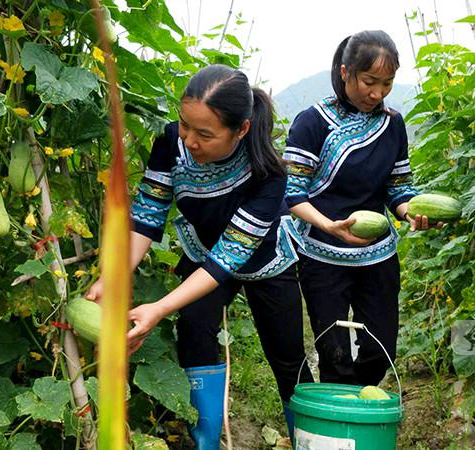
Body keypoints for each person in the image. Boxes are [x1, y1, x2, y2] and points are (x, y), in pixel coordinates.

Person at [86, 64, 312, 448]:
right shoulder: (171, 143)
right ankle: (205, 440)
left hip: (263, 261)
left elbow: (229, 258)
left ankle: (306, 439)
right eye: (185, 125)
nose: (189, 140)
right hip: (201, 249)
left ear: (240, 130)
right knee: (194, 329)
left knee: (287, 355)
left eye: (204, 134)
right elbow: (147, 217)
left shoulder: (269, 174)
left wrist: (157, 308)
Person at [284, 31, 442, 387]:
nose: (377, 93)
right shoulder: (312, 122)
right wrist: (329, 225)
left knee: (381, 349)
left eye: (387, 83)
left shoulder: (392, 124)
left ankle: (359, 400)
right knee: (334, 351)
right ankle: (340, 424)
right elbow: (293, 195)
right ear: (345, 72)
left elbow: (398, 187)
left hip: (377, 256)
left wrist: (409, 213)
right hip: (323, 256)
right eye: (369, 81)